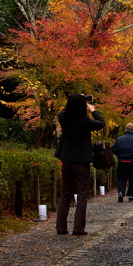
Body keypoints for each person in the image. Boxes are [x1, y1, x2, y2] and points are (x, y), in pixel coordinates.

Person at [54, 94, 105, 235]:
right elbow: (101, 123)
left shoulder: (64, 119)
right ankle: (78, 228)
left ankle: (61, 227)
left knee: (65, 194)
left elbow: (61, 113)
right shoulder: (86, 121)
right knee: (82, 195)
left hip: (66, 160)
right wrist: (93, 110)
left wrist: (73, 101)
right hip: (82, 161)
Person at [111, 123, 133, 203]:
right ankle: (130, 195)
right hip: (132, 161)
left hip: (122, 160)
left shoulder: (119, 139)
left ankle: (121, 192)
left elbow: (113, 149)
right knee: (131, 178)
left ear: (125, 130)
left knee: (121, 178)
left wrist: (119, 154)